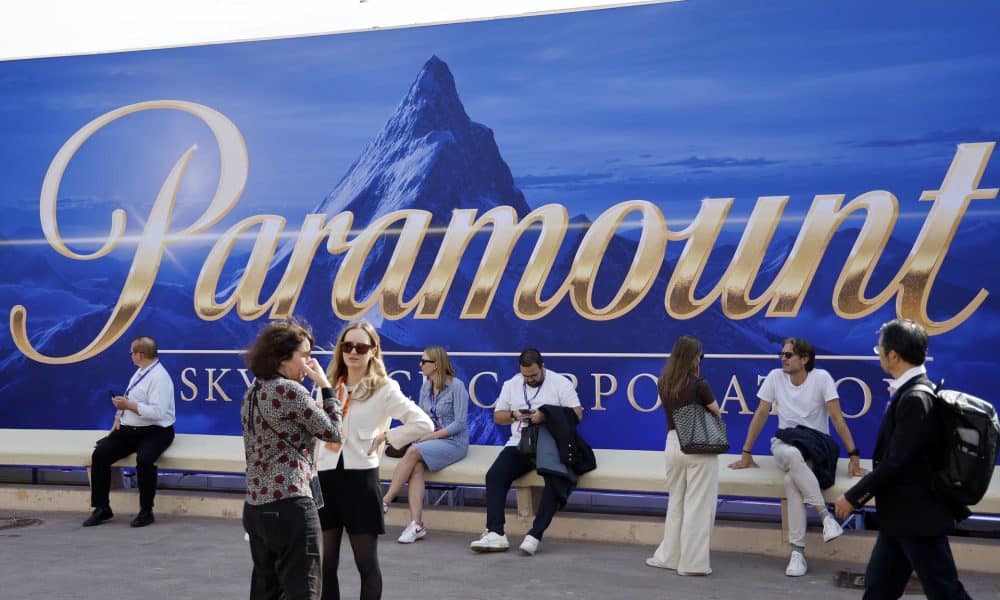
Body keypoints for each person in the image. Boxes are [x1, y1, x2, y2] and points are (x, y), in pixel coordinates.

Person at [834, 319, 971, 599]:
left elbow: (896, 462)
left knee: (944, 591)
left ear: (893, 355)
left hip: (918, 517)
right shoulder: (914, 392)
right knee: (879, 589)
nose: (878, 353)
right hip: (900, 516)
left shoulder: (915, 399)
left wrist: (853, 497)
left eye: (879, 349)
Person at [729, 337, 866, 577]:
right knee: (792, 454)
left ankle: (798, 553)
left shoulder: (822, 378)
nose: (783, 359)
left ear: (804, 359)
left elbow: (837, 418)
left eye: (789, 355)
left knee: (792, 481)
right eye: (781, 355)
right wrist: (746, 453)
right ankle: (826, 517)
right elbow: (761, 414)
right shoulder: (775, 377)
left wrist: (854, 455)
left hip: (817, 448)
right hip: (785, 444)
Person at [316, 321, 433, 600]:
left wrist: (387, 436)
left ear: (373, 351)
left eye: (361, 347)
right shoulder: (329, 385)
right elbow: (315, 432)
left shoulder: (384, 388)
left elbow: (423, 424)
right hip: (326, 478)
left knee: (366, 563)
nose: (353, 352)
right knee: (325, 564)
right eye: (347, 346)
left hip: (360, 482)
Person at [240, 320, 343, 600]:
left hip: (256, 506)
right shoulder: (289, 391)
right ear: (282, 357)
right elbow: (333, 432)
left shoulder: (253, 391)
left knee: (265, 590)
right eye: (305, 355)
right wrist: (325, 386)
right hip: (290, 502)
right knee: (303, 590)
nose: (310, 362)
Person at [469, 348, 583, 556]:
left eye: (534, 375)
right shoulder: (511, 384)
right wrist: (514, 415)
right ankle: (495, 532)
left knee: (555, 479)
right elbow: (498, 416)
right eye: (526, 376)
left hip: (550, 444)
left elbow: (577, 414)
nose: (530, 379)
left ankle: (535, 535)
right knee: (495, 475)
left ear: (542, 367)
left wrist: (545, 415)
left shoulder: (560, 383)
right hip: (519, 443)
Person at [645, 336, 721, 575]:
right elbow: (716, 413)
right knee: (698, 506)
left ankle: (669, 557)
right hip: (699, 444)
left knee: (676, 502)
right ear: (694, 358)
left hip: (672, 443)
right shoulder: (701, 385)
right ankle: (693, 564)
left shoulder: (663, 383)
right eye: (700, 355)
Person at [84, 336, 176, 528]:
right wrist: (119, 415)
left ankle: (146, 510)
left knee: (144, 460)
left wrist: (128, 405)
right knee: (100, 454)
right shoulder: (140, 372)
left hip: (156, 431)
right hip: (129, 429)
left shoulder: (160, 378)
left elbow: (157, 413)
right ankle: (101, 507)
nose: (130, 356)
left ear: (140, 355)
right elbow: (129, 398)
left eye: (131, 353)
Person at [382, 346, 470, 544]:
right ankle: (416, 524)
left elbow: (460, 423)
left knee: (413, 451)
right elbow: (423, 417)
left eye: (424, 361)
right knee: (417, 467)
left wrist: (430, 437)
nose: (420, 365)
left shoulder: (457, 386)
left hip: (454, 442)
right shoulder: (425, 386)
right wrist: (420, 433)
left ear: (436, 364)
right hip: (429, 441)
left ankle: (386, 500)